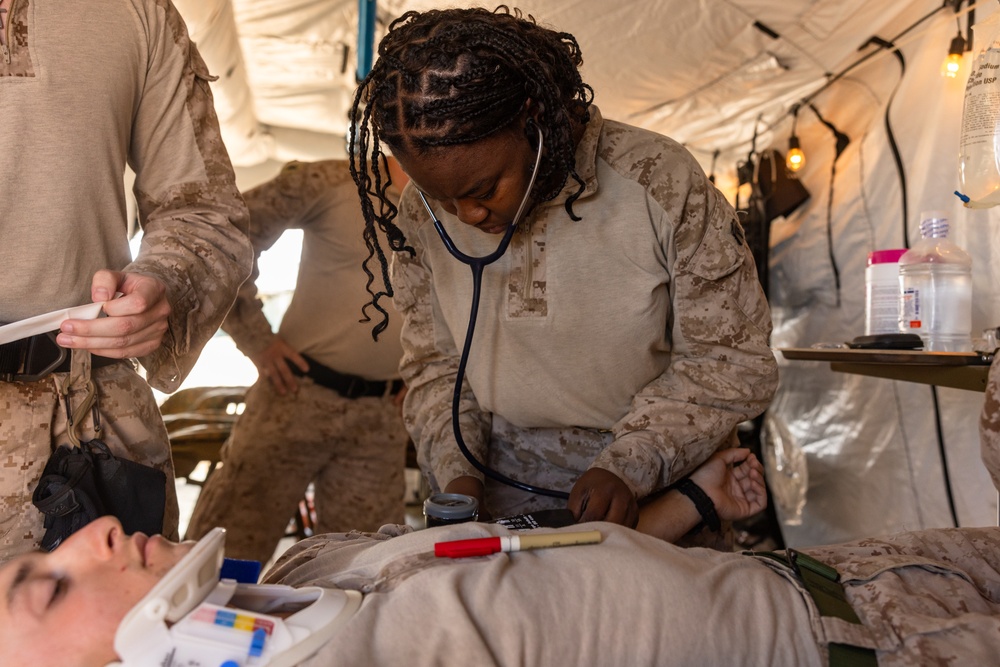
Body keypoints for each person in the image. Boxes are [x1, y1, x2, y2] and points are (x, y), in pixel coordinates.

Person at [348, 6, 778, 548]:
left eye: (483, 190)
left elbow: (733, 361)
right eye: (442, 198)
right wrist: (459, 473)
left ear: (533, 118)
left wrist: (631, 462)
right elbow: (435, 365)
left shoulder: (658, 180)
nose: (467, 216)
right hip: (498, 488)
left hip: (657, 484)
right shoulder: (418, 214)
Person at [3, 441, 1000, 666]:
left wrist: (687, 506)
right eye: (47, 589)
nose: (85, 534)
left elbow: (534, 575)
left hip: (842, 577)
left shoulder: (283, 586)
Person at [0, 0, 253, 560]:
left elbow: (205, 212)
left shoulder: (136, 12)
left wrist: (167, 280)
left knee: (125, 646)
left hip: (89, 429)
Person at [185, 158, 412, 564]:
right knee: (225, 555)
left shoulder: (454, 199)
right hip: (296, 396)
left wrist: (426, 371)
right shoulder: (330, 181)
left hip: (382, 416)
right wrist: (257, 340)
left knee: (363, 566)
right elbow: (227, 236)